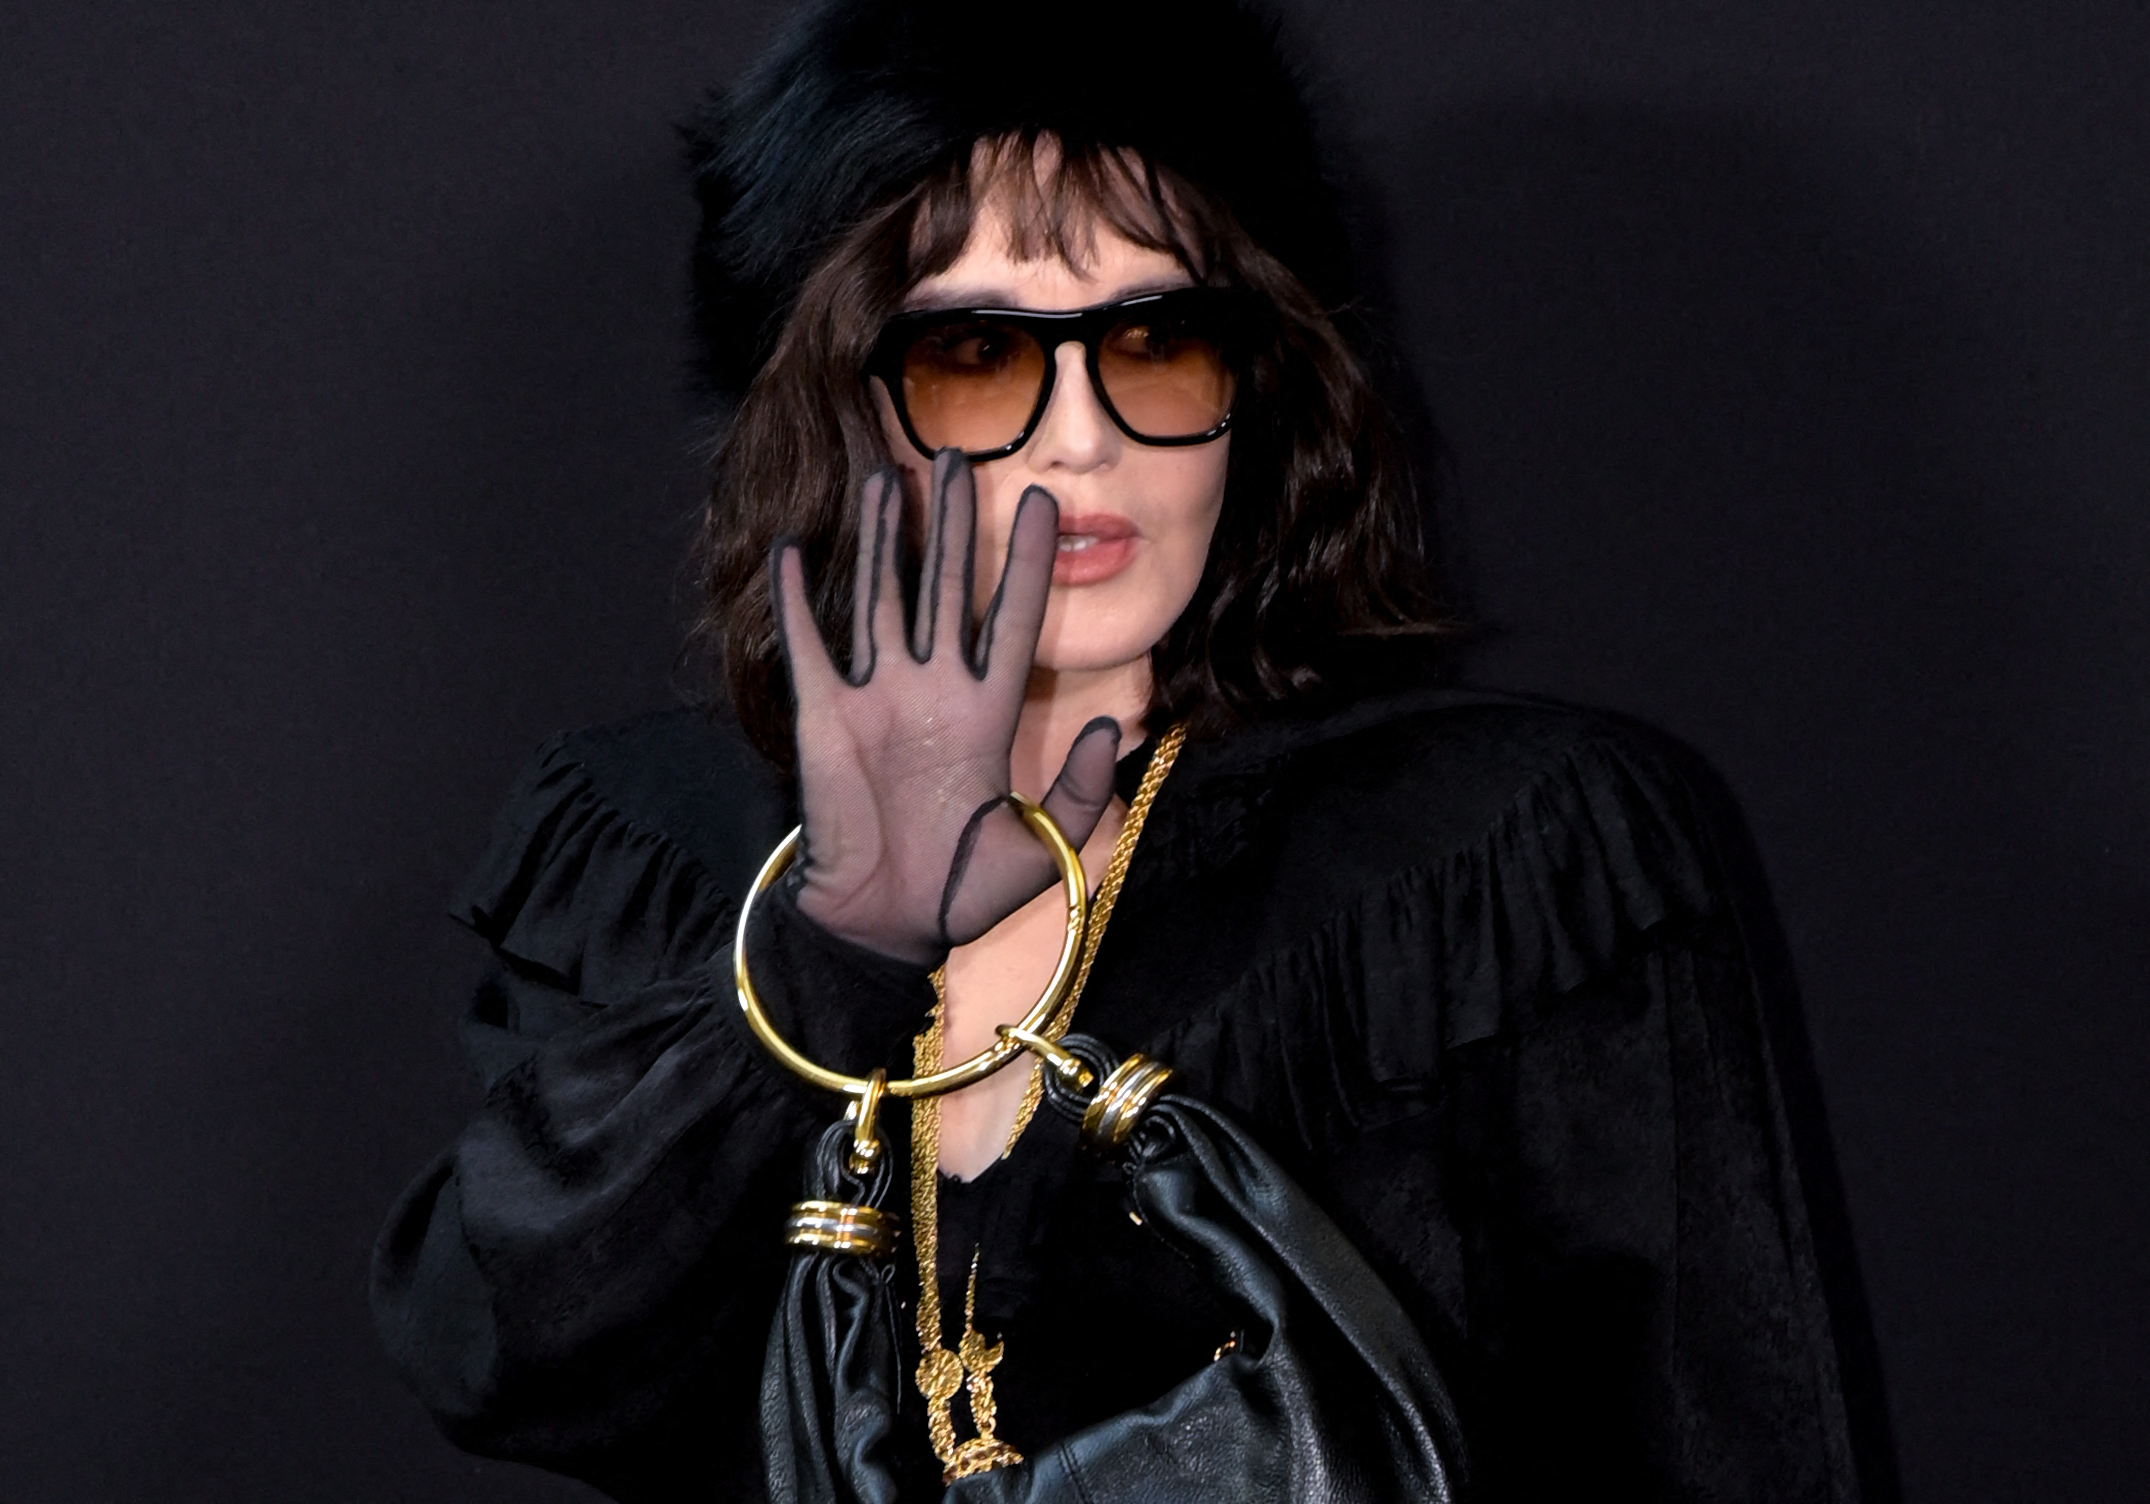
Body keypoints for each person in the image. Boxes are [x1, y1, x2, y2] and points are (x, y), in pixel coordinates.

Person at [372, 1, 1865, 1498]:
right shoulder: (648, 850)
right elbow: (494, 1356)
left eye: (1156, 344)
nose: (1082, 437)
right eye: (973, 353)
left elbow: (1734, 1448)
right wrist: (833, 954)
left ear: (1258, 395)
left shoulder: (1509, 863)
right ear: (835, 410)